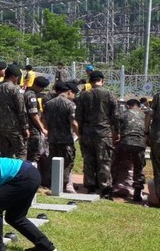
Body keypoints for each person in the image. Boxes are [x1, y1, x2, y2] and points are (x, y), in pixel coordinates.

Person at [75, 70, 120, 198]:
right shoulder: (109, 94)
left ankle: (90, 187)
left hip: (87, 132)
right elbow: (116, 116)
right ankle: (105, 189)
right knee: (104, 161)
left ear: (90, 81)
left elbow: (78, 117)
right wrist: (117, 132)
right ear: (102, 80)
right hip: (104, 133)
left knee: (89, 160)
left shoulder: (83, 95)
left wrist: (80, 133)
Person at [42, 82, 79, 193]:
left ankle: (52, 184)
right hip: (66, 140)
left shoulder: (48, 104)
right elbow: (73, 123)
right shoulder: (70, 104)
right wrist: (79, 135)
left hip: (52, 139)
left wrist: (48, 131)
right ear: (69, 92)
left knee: (53, 162)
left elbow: (44, 120)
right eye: (74, 94)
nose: (74, 97)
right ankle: (63, 185)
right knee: (67, 163)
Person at [0, 64, 29, 159]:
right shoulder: (15, 89)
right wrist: (25, 127)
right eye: (17, 77)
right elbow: (21, 110)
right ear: (13, 76)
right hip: (15, 128)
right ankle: (20, 169)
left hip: (0, 128)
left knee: (4, 155)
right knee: (21, 153)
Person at [112, 99, 146, 201]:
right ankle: (137, 194)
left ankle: (110, 188)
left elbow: (116, 129)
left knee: (115, 165)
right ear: (139, 106)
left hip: (124, 143)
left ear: (127, 106)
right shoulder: (144, 115)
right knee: (138, 169)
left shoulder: (123, 114)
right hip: (139, 144)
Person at [24, 76, 50, 166]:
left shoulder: (26, 92)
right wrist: (42, 128)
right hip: (32, 128)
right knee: (34, 153)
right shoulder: (31, 96)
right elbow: (33, 114)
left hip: (27, 126)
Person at [146, 91, 160, 204]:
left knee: (158, 168)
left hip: (157, 137)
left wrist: (146, 132)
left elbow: (149, 114)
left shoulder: (158, 96)